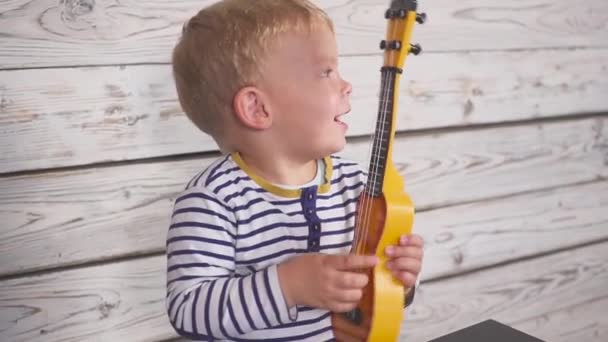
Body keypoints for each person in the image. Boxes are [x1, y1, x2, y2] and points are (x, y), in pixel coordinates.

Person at [166, 0, 424, 340]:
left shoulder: (359, 186)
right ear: (257, 108)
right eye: (326, 71)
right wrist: (288, 285)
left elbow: (368, 301)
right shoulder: (213, 201)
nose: (347, 85)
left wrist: (398, 282)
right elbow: (188, 311)